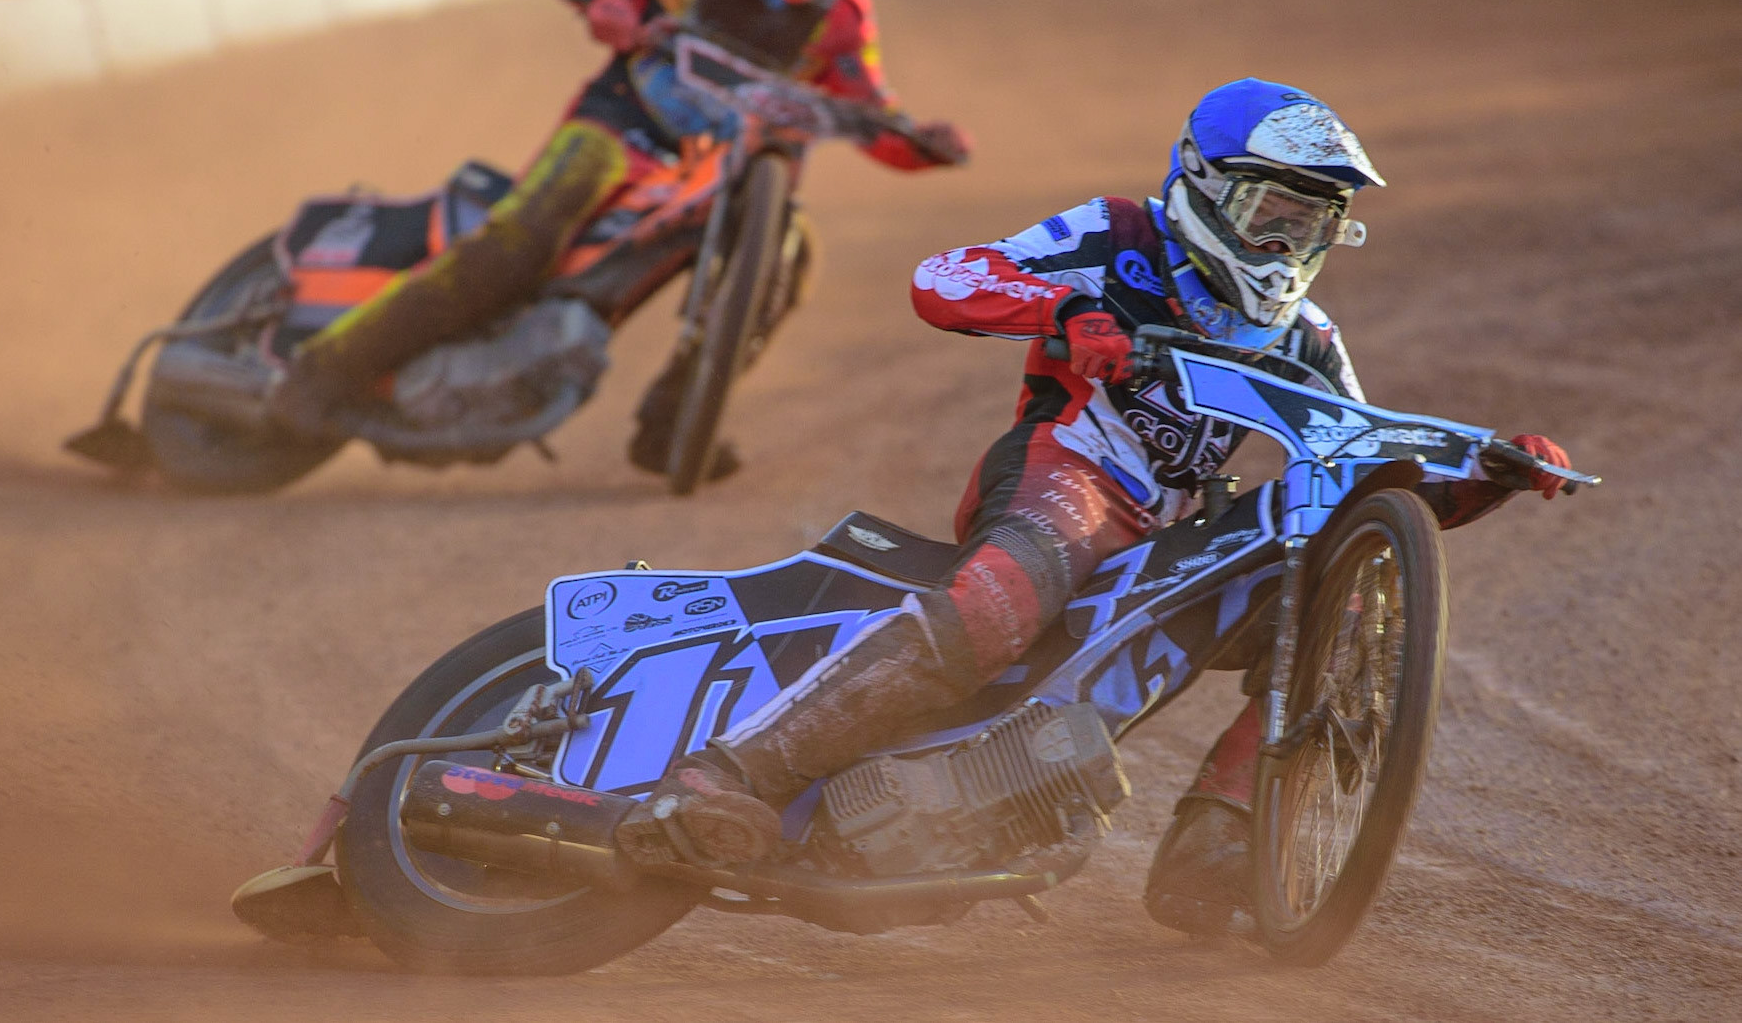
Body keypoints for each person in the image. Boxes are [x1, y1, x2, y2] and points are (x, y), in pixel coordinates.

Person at [613, 77, 1573, 933]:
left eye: (1312, 223)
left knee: (1340, 604)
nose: (1286, 245)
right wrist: (1066, 312)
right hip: (1065, 472)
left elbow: (1358, 472)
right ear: (1203, 185)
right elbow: (944, 278)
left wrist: (1481, 479)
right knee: (1004, 602)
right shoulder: (1118, 236)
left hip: (1167, 536)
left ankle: (1217, 846)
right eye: (1269, 212)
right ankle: (724, 776)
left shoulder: (1307, 338)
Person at [266, 0, 969, 476]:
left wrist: (922, 145)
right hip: (620, 125)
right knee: (523, 240)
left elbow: (871, 115)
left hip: (720, 179)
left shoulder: (844, 18)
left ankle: (673, 427)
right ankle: (321, 372)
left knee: (790, 256)